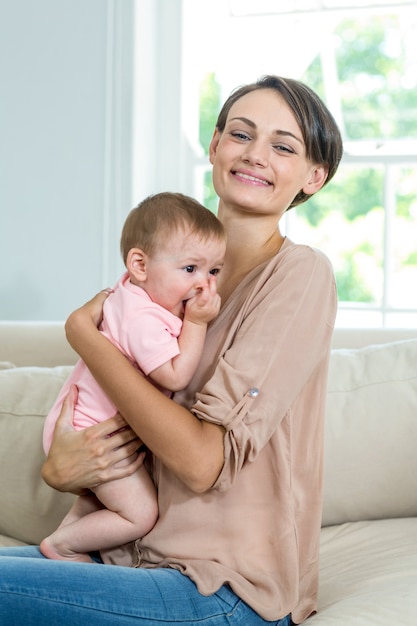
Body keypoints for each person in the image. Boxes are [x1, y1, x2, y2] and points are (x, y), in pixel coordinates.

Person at [0, 75, 343, 625]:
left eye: (283, 146)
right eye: (240, 134)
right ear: (213, 146)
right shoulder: (163, 278)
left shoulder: (300, 276)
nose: (255, 155)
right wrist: (62, 469)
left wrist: (82, 334)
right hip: (121, 564)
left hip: (221, 589)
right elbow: (111, 419)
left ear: (313, 177)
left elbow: (203, 464)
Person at [40, 191, 226, 562]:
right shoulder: (143, 319)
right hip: (89, 433)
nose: (204, 284)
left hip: (86, 426)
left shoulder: (133, 294)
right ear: (139, 265)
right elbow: (174, 375)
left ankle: (64, 544)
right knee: (141, 513)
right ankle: (61, 546)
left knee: (95, 506)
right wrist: (197, 323)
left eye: (214, 271)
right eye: (190, 269)